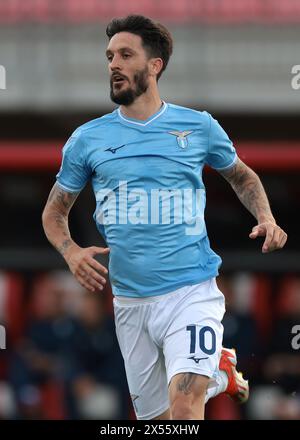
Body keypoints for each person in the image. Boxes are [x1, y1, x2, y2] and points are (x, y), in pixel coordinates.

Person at [42, 15, 287, 420]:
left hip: (190, 290)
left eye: (125, 55)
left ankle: (207, 376)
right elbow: (55, 212)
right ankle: (221, 374)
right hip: (130, 301)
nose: (113, 65)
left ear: (155, 65)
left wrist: (267, 216)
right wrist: (69, 251)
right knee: (158, 422)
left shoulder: (199, 126)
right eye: (109, 57)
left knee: (185, 405)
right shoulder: (87, 139)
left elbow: (242, 176)